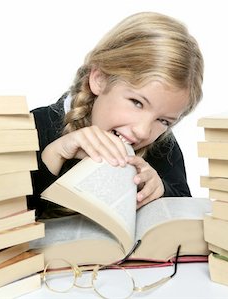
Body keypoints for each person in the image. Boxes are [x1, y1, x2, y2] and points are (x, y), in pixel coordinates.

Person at [27, 11, 204, 219]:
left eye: (163, 120)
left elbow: (185, 215)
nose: (143, 131)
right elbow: (1, 225)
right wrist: (53, 156)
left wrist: (162, 190)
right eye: (137, 103)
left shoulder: (163, 147)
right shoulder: (33, 127)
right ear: (99, 79)